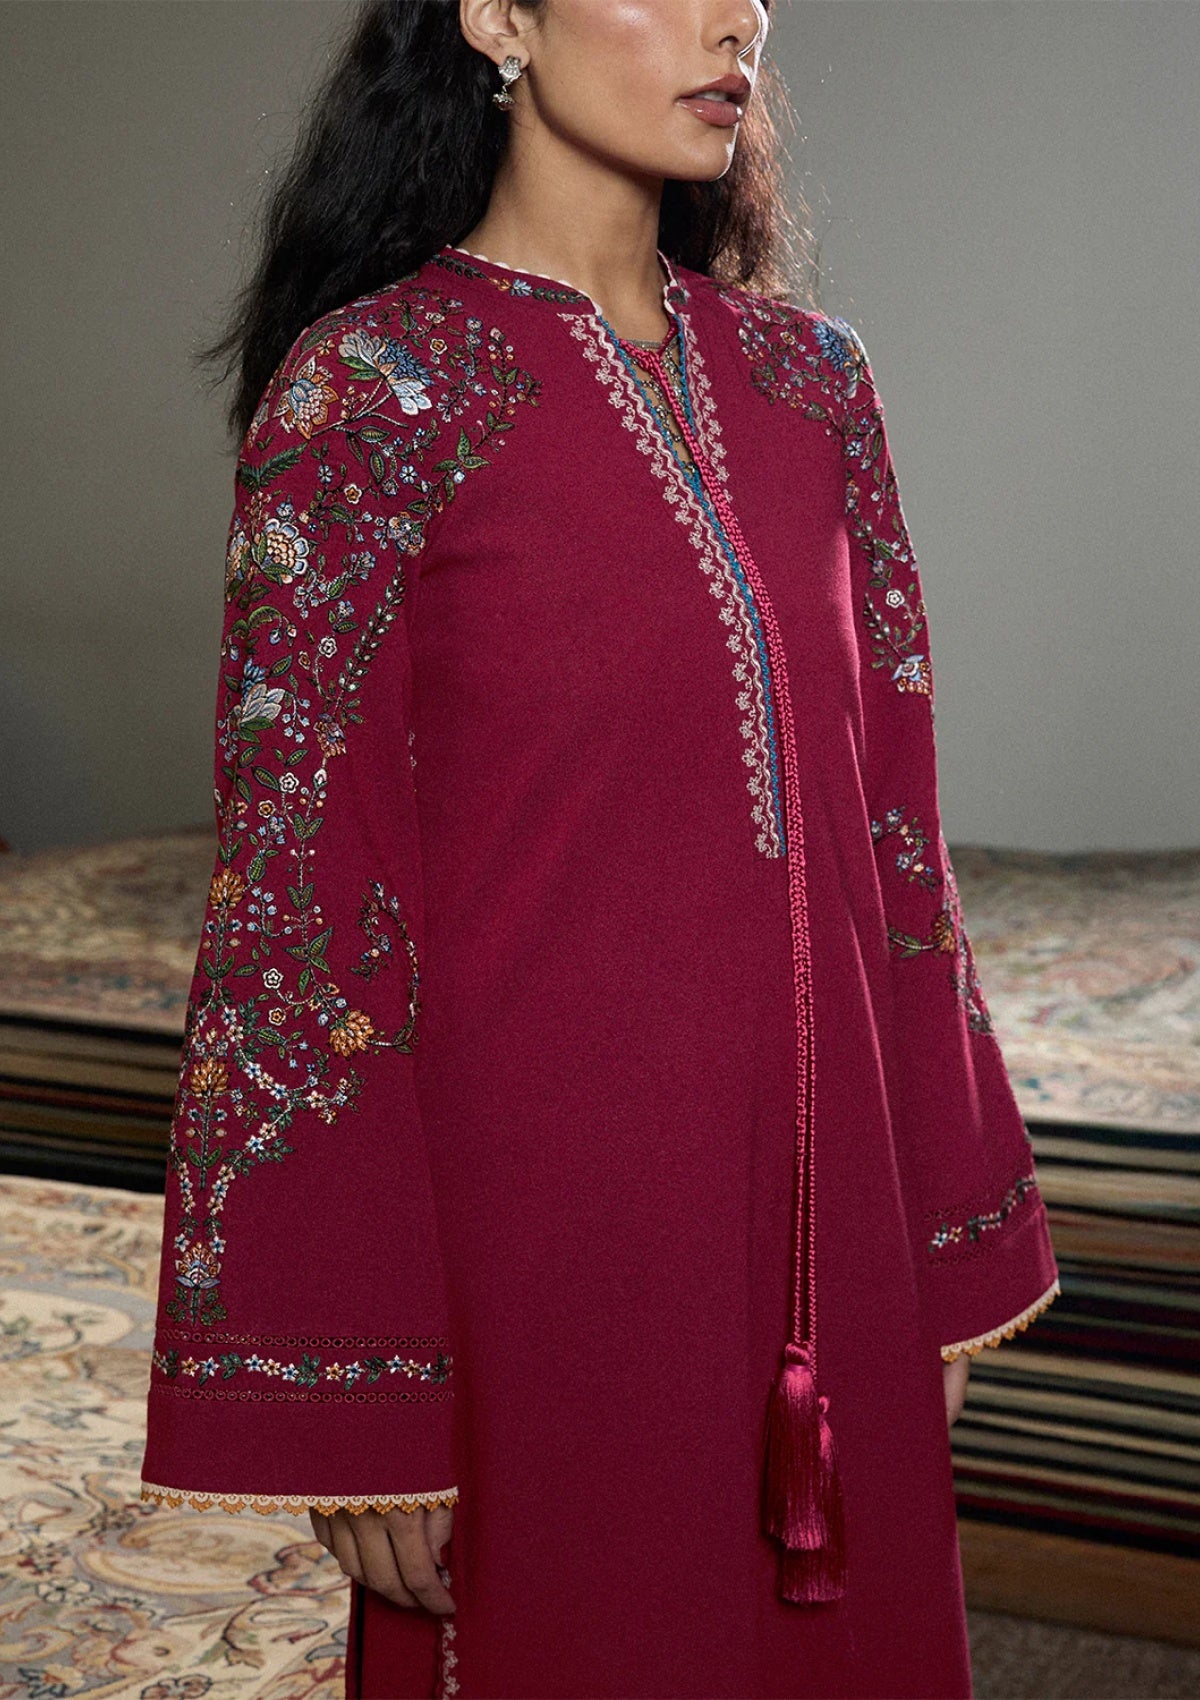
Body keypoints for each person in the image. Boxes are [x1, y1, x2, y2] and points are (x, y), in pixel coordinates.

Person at [138, 1, 1061, 1695]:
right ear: (498, 15)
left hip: (831, 1238)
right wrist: (363, 1383)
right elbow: (294, 914)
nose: (738, 18)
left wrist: (940, 1240)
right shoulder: (373, 395)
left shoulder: (816, 387)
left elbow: (897, 848)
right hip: (540, 1266)